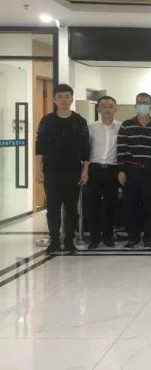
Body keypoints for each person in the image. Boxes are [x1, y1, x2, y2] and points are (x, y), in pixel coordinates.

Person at [35, 84, 90, 255]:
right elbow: (40, 147)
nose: (64, 100)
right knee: (52, 208)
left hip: (73, 170)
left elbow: (86, 148)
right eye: (60, 97)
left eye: (67, 96)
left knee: (71, 208)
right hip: (51, 170)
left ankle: (69, 241)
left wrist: (85, 171)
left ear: (72, 99)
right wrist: (38, 170)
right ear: (54, 99)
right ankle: (54, 241)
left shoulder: (79, 121)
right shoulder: (47, 120)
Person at [117, 92, 151, 249]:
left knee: (150, 206)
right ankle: (133, 237)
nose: (143, 105)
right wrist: (121, 170)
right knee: (130, 206)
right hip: (131, 171)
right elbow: (121, 148)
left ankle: (149, 237)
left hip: (150, 171)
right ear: (135, 105)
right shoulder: (126, 125)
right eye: (140, 102)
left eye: (146, 102)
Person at [86, 95, 120, 250]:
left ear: (115, 108)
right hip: (94, 169)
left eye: (110, 106)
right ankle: (94, 238)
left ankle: (108, 237)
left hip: (112, 170)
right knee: (92, 205)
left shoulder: (121, 127)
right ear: (98, 109)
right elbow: (86, 151)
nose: (107, 109)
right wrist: (85, 170)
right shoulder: (91, 127)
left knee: (111, 205)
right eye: (104, 106)